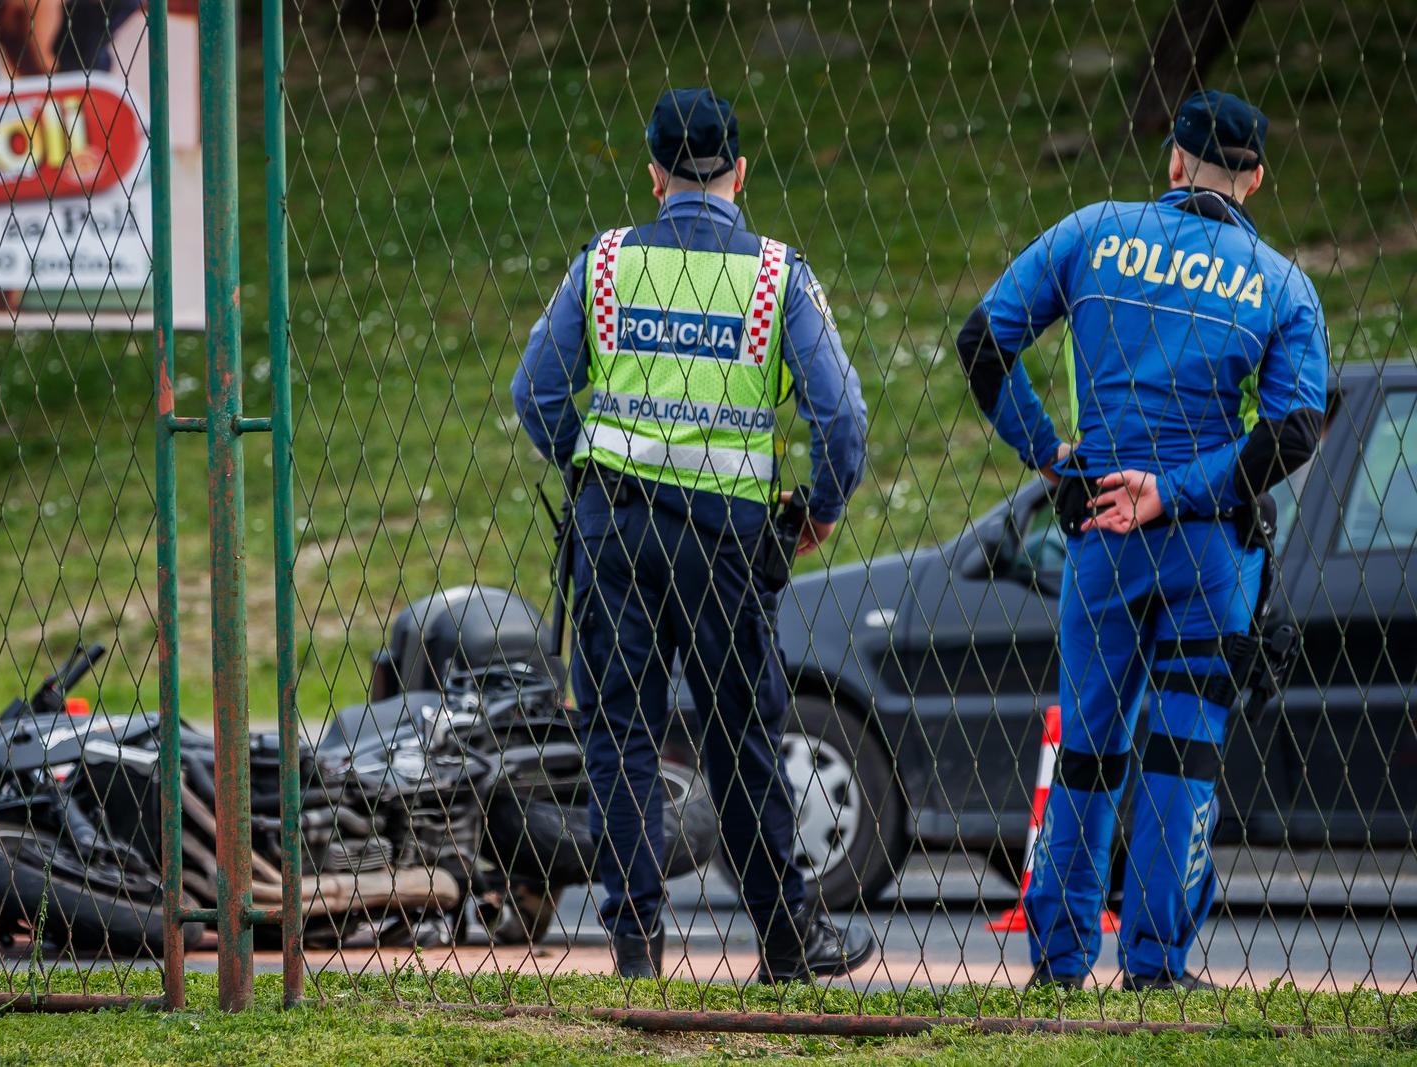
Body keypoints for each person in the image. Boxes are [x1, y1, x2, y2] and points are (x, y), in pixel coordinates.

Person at [957, 90, 1328, 991]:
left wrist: (1052, 457)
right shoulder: (1280, 284)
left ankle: (1058, 962)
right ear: (1257, 178)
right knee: (1184, 750)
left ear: (1172, 162)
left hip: (1098, 527)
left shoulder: (1093, 232)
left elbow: (982, 341)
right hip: (1204, 543)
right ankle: (1158, 965)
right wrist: (1180, 490)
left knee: (1087, 747)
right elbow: (1292, 432)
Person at [512, 87, 874, 981]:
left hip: (617, 528)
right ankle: (787, 942)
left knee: (620, 735)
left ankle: (636, 949)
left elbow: (536, 393)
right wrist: (816, 510)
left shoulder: (603, 266)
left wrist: (590, 465)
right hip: (722, 542)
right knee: (737, 734)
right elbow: (843, 418)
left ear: (654, 175)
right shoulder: (775, 276)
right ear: (739, 173)